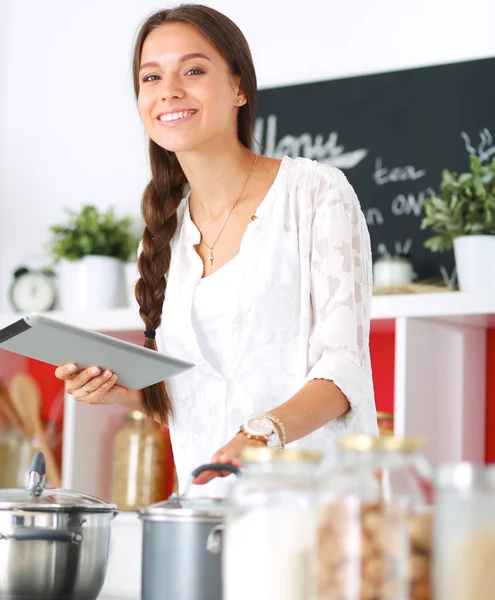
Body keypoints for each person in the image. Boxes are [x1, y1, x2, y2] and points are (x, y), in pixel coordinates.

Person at [55, 4, 378, 498]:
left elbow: (343, 372)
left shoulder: (314, 192)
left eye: (193, 70)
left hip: (319, 514)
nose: (169, 90)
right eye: (150, 76)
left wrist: (260, 434)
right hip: (208, 512)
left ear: (239, 88)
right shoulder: (164, 233)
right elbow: (207, 391)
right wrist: (134, 395)